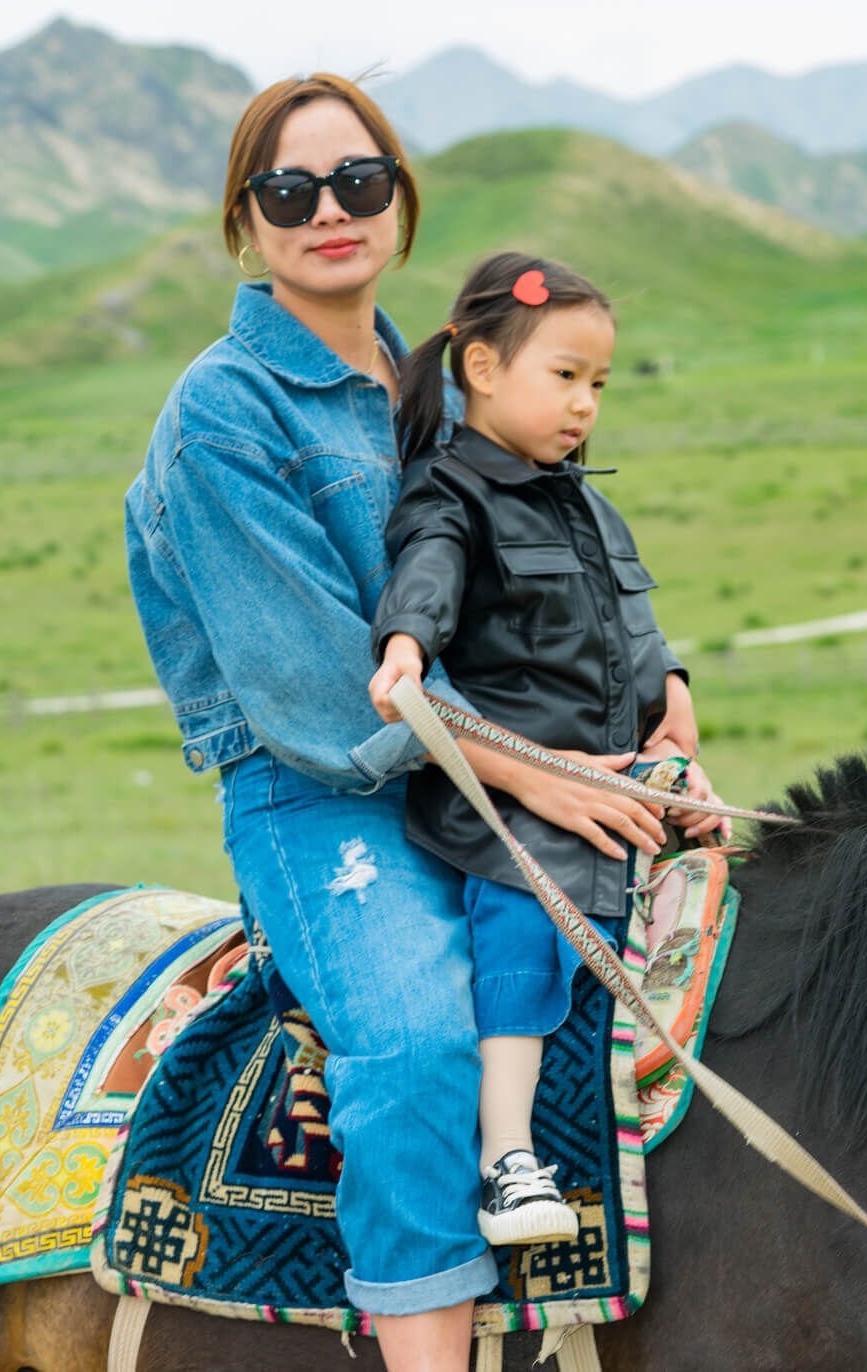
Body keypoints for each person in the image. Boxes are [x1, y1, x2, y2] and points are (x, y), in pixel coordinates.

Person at [124, 76, 664, 1372]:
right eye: (289, 190)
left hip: (489, 758)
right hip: (322, 792)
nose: (329, 211)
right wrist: (534, 772)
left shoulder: (432, 383)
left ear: (400, 201)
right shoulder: (223, 412)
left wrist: (647, 699)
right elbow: (316, 683)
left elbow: (539, 555)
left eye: (359, 181)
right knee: (419, 1040)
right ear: (245, 221)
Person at [366, 249, 724, 1246]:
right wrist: (403, 646)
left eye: (598, 384)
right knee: (525, 920)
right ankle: (508, 1154)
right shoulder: (451, 494)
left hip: (613, 776)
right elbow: (425, 579)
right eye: (564, 376)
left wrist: (675, 692)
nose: (585, 406)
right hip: (509, 803)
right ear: (481, 368)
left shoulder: (587, 501)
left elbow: (632, 622)